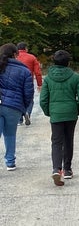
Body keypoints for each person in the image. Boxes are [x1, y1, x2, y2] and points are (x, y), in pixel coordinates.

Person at [40, 50, 79, 186]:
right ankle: (67, 170)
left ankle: (56, 169)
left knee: (56, 141)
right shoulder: (76, 77)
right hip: (71, 113)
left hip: (56, 113)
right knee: (68, 139)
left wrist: (49, 112)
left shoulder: (48, 79)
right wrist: (77, 110)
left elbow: (43, 99)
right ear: (68, 62)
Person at [0, 43, 34, 171]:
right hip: (13, 107)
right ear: (16, 55)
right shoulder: (24, 70)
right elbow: (28, 92)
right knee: (10, 135)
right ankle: (10, 162)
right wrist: (23, 108)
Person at [16, 42, 42, 126]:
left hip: (15, 81)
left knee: (18, 99)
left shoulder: (14, 57)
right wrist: (39, 84)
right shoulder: (32, 57)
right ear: (26, 48)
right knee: (29, 99)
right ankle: (27, 113)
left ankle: (19, 120)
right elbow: (37, 72)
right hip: (28, 81)